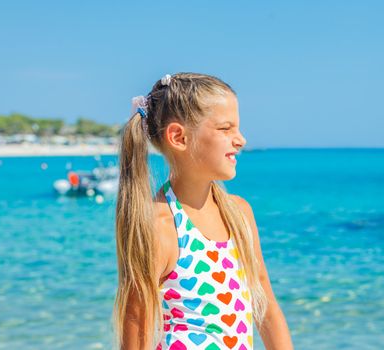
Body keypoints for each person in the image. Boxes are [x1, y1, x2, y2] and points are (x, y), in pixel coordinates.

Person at [113, 72, 294, 350]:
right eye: (225, 129)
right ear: (179, 137)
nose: (241, 139)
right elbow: (136, 325)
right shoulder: (161, 225)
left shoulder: (239, 214)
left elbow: (265, 305)